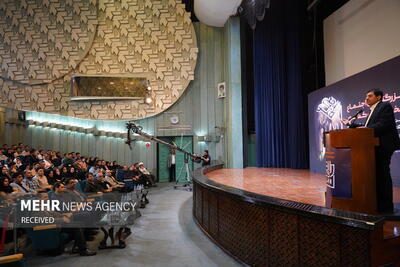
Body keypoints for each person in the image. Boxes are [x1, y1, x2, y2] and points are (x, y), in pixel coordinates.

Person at [342, 89, 400, 213]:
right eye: (366, 96)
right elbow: (367, 126)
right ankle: (377, 204)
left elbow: (384, 124)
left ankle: (385, 207)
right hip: (373, 147)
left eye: (370, 96)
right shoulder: (372, 110)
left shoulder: (385, 106)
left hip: (383, 146)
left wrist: (366, 127)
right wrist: (351, 125)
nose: (366, 98)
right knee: (377, 175)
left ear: (378, 97)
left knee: (383, 175)